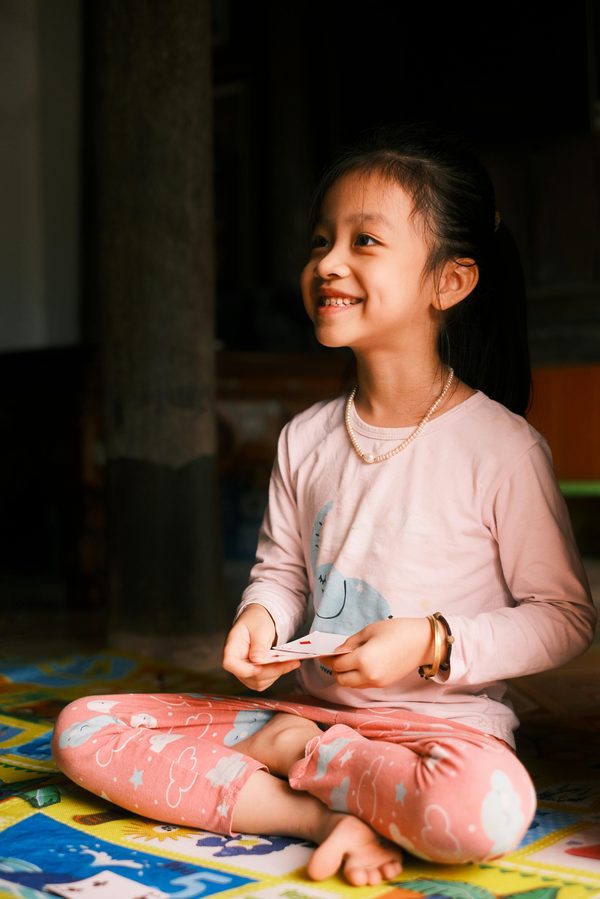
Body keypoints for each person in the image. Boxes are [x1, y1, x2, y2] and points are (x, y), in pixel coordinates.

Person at [53, 123, 596, 888]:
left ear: (452, 282)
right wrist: (262, 618)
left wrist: (430, 642)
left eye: (364, 242)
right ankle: (321, 814)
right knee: (85, 728)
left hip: (437, 736)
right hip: (307, 712)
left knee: (486, 810)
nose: (327, 263)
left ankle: (309, 772)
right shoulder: (306, 436)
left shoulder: (501, 448)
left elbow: (566, 616)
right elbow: (282, 570)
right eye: (319, 240)